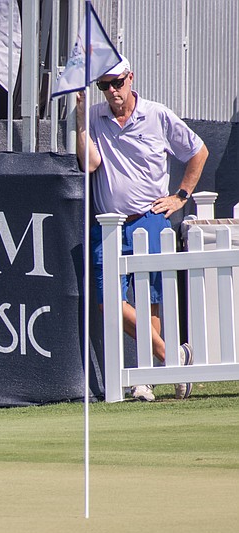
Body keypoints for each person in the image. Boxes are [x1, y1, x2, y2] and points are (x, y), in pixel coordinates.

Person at [76, 55, 209, 402]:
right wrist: (78, 122)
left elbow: (198, 151)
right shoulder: (93, 116)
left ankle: (144, 381)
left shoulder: (157, 114)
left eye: (117, 83)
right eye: (104, 86)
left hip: (149, 218)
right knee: (109, 302)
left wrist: (181, 195)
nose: (112, 92)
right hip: (109, 223)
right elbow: (90, 163)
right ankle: (173, 358)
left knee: (148, 301)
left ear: (130, 78)